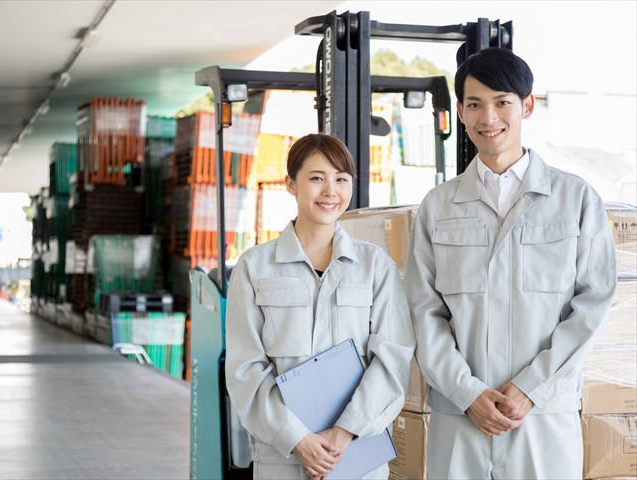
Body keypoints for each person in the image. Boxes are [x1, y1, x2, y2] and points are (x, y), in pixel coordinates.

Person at [404, 47, 617, 479]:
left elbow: (592, 305)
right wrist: (468, 393)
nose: (489, 118)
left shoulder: (575, 200)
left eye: (502, 102)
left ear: (527, 105)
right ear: (461, 112)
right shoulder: (438, 207)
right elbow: (424, 313)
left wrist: (529, 388)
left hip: (541, 416)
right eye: (476, 105)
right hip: (461, 418)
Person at [226, 133, 415, 479]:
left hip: (356, 456)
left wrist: (345, 432)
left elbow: (392, 359)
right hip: (282, 459)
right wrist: (297, 438)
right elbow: (245, 369)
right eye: (316, 178)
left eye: (341, 180)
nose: (331, 192)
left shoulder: (376, 267)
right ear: (291, 185)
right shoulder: (254, 267)